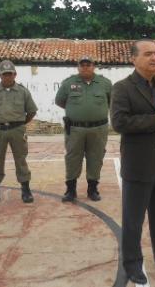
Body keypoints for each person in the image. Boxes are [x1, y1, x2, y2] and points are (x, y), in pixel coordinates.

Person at [110, 39, 155, 285]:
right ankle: (132, 264)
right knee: (134, 218)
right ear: (134, 59)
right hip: (138, 162)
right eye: (148, 54)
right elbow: (120, 123)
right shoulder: (123, 88)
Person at [0, 60, 38, 204]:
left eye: (10, 74)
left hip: (17, 130)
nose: (7, 77)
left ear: (15, 74)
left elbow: (31, 111)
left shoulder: (23, 91)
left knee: (21, 159)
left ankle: (25, 190)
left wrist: (20, 124)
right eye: (4, 74)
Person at [55, 56, 112, 202]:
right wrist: (77, 112)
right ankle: (71, 190)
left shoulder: (105, 83)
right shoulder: (69, 83)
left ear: (94, 66)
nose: (85, 67)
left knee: (96, 158)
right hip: (75, 129)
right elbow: (60, 101)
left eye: (88, 65)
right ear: (78, 67)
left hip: (98, 129)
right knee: (72, 158)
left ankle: (92, 189)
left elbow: (112, 101)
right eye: (82, 65)